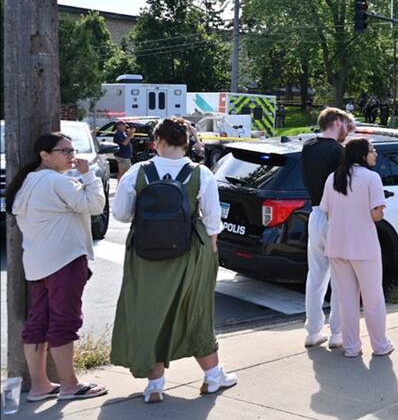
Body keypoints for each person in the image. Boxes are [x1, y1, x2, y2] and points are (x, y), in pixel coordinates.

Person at [110, 117, 235, 403]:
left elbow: (121, 214)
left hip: (144, 254)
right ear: (186, 143)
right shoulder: (201, 174)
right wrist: (211, 248)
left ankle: (155, 384)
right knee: (194, 311)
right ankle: (213, 375)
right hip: (189, 251)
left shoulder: (138, 172)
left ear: (158, 142)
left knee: (148, 313)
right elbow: (213, 220)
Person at [7, 132, 108, 402]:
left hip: (37, 262)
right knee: (65, 321)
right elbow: (96, 205)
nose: (72, 156)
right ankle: (69, 384)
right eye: (65, 151)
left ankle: (40, 385)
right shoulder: (56, 181)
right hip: (64, 260)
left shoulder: (27, 182)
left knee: (37, 322)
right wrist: (89, 176)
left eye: (72, 150)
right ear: (45, 154)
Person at [319, 138, 394, 358]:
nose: (375, 154)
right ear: (363, 155)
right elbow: (376, 214)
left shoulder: (333, 178)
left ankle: (351, 346)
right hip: (364, 246)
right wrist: (381, 210)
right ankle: (380, 344)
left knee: (347, 299)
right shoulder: (372, 178)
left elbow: (326, 210)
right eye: (373, 151)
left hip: (337, 245)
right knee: (373, 299)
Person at [301, 107, 354, 349]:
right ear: (336, 122)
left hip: (315, 214)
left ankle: (313, 331)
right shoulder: (339, 152)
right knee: (341, 276)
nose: (348, 131)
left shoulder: (308, 147)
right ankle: (337, 333)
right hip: (338, 216)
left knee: (316, 275)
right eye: (347, 125)